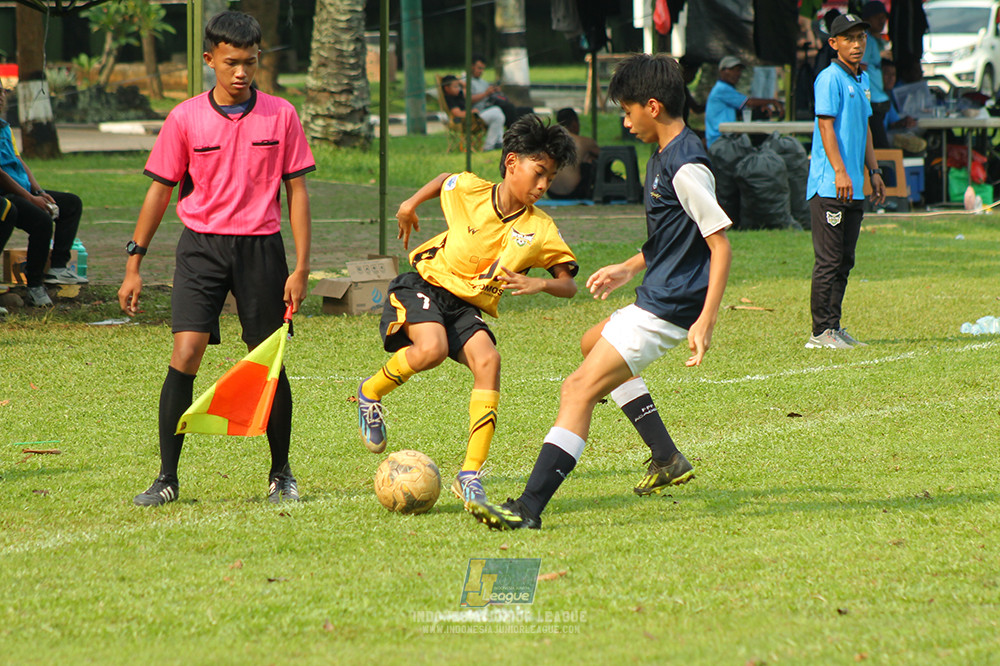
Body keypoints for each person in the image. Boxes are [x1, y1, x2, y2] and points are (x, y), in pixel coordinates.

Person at [468, 53, 733, 531]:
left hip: (670, 306)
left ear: (652, 106)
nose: (625, 120)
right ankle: (667, 456)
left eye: (627, 110)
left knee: (578, 388)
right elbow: (676, 236)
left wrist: (705, 321)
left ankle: (528, 508)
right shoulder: (664, 153)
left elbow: (719, 244)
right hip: (660, 294)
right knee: (593, 341)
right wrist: (627, 268)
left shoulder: (686, 165)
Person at [117, 10, 315, 506]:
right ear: (209, 60)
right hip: (200, 248)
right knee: (185, 354)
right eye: (231, 63)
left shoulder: (281, 115)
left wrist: (302, 267)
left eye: (249, 62)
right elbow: (160, 193)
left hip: (261, 250)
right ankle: (166, 478)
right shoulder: (184, 118)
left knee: (268, 360)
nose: (241, 72)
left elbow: (297, 193)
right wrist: (134, 263)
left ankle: (281, 474)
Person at [356, 114, 578, 514]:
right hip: (424, 284)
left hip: (467, 305)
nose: (544, 185)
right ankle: (370, 393)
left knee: (489, 361)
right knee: (432, 349)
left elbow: (569, 283)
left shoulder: (541, 229)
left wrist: (539, 283)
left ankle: (469, 474)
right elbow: (445, 179)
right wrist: (409, 205)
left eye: (551, 178)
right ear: (512, 163)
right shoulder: (472, 190)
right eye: (539, 173)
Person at [805, 13, 886, 350]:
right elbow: (826, 127)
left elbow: (865, 129)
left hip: (853, 185)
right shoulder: (829, 79)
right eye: (849, 39)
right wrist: (839, 170)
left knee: (845, 260)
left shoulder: (860, 80)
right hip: (829, 185)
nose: (857, 45)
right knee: (828, 259)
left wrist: (875, 171)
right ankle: (819, 332)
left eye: (861, 38)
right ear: (833, 43)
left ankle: (834, 328)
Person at [0, 86, 85, 308]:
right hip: (8, 193)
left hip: (25, 189)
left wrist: (38, 191)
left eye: (2, 91)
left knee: (70, 204)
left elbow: (19, 161)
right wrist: (30, 198)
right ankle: (35, 285)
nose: (1, 96)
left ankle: (57, 267)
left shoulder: (5, 127)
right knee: (42, 222)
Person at [704, 56, 784, 147]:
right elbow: (749, 102)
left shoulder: (727, 89)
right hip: (720, 142)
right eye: (732, 70)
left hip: (727, 139)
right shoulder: (721, 89)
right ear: (722, 71)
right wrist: (772, 101)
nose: (737, 74)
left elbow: (746, 108)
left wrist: (760, 107)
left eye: (738, 70)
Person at [466, 55, 533, 145]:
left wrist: (495, 91)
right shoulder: (466, 82)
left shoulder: (483, 82)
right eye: (479, 68)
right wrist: (486, 93)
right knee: (508, 108)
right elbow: (468, 100)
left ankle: (531, 138)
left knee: (527, 111)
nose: (481, 71)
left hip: (493, 106)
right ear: (471, 66)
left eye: (483, 69)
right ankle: (514, 137)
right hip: (481, 112)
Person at [548, 108, 600, 199]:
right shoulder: (584, 142)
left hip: (551, 192)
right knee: (589, 161)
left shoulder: (548, 141)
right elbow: (605, 156)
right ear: (575, 123)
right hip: (574, 192)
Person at [440, 74, 501, 150]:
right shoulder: (450, 99)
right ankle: (489, 146)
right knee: (497, 112)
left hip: (472, 118)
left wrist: (461, 83)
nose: (458, 89)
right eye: (455, 87)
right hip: (467, 121)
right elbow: (458, 114)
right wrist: (471, 112)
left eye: (459, 86)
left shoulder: (458, 94)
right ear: (446, 88)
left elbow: (467, 90)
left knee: (498, 114)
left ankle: (497, 142)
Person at [861, 1, 891, 149]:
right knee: (879, 147)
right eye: (877, 17)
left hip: (880, 99)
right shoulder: (865, 40)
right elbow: (861, 68)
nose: (882, 21)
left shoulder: (876, 40)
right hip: (872, 101)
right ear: (867, 19)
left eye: (884, 17)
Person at [881, 59, 927, 154]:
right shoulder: (872, 96)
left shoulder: (886, 97)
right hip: (879, 139)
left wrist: (904, 122)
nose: (891, 78)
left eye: (893, 75)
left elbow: (893, 122)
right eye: (886, 74)